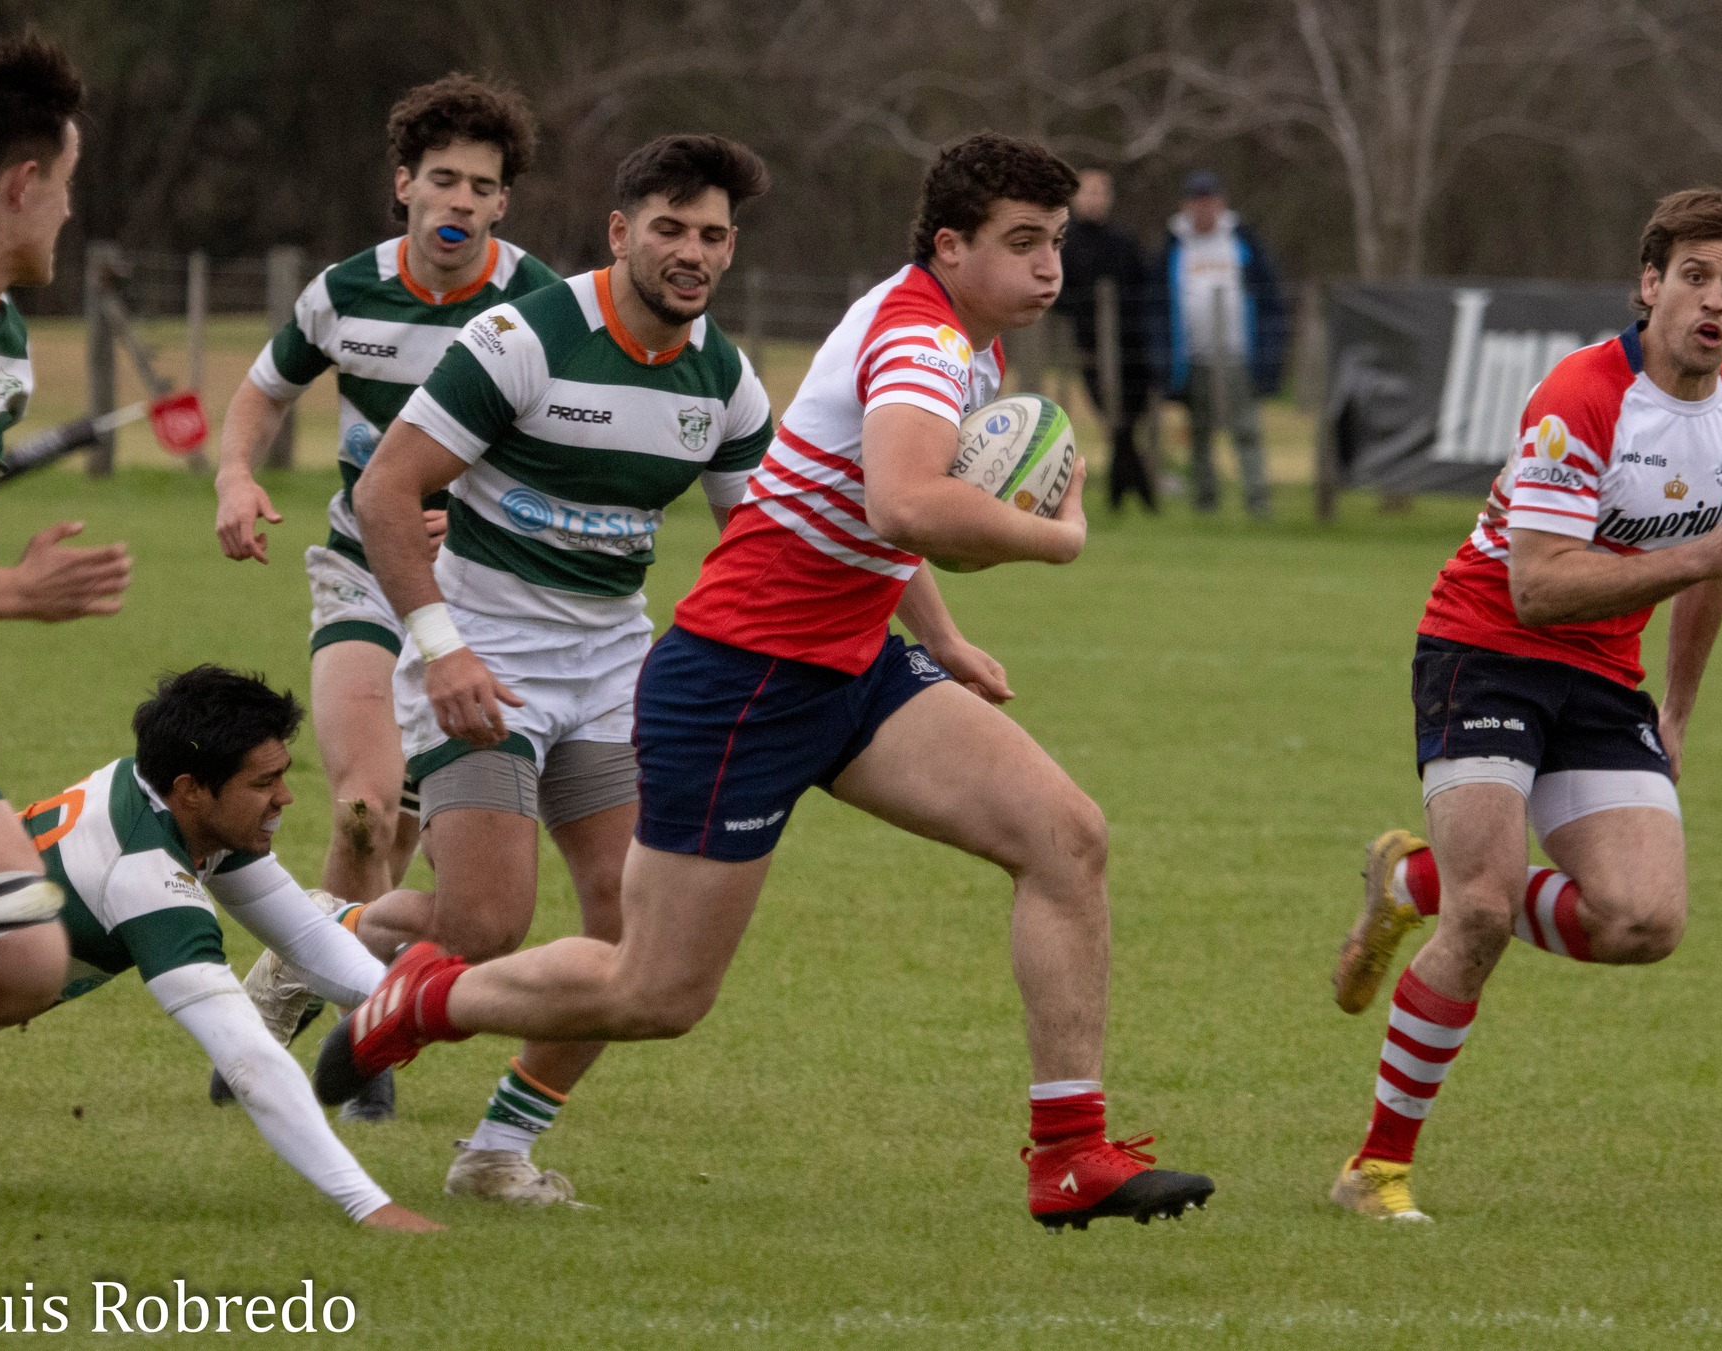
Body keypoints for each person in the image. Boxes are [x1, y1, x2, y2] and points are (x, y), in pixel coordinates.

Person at [316, 132, 1215, 1234]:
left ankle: (1070, 1154)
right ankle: (430, 995)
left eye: (1056, 243)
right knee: (657, 992)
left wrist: (942, 638)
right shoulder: (921, 340)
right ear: (948, 246)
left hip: (854, 662)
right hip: (743, 678)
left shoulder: (955, 337)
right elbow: (905, 505)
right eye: (1021, 244)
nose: (1049, 269)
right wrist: (1059, 538)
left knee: (1065, 835)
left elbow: (847, 521)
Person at [1326, 181, 1722, 1221]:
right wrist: (1700, 551)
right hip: (1484, 649)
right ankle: (1373, 1168)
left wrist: (1675, 710)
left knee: (1644, 920)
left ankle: (1409, 880)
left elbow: (1708, 571)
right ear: (1648, 285)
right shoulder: (1579, 396)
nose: (1712, 302)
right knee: (1487, 908)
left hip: (1600, 675)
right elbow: (1535, 585)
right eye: (1692, 277)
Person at [305, 133, 772, 1205]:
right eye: (668, 228)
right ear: (619, 233)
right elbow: (384, 494)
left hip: (610, 669)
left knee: (630, 935)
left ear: (731, 248)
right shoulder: (521, 335)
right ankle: (317, 940)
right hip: (482, 654)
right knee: (483, 924)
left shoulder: (724, 378)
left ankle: (494, 1151)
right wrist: (441, 647)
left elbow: (763, 545)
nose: (689, 253)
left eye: (710, 235)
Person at [208, 75, 555, 1122]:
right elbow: (262, 390)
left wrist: (494, 512)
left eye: (480, 186)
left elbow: (567, 455)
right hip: (362, 571)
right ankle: (360, 1015)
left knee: (437, 855)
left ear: (502, 206)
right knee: (363, 807)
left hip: (484, 597)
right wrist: (234, 474)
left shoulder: (540, 306)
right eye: (439, 178)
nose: (457, 200)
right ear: (402, 185)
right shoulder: (343, 291)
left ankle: (309, 987)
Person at [0, 668, 436, 1231]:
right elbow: (249, 1059)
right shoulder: (144, 872)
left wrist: (429, 1004)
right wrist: (367, 1203)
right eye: (263, 783)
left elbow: (307, 938)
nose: (285, 797)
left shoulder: (164, 799)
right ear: (191, 789)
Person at [0, 34, 133, 1031]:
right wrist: (19, 594)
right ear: (21, 184)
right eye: (64, 181)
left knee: (18, 957)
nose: (67, 204)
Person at [1152, 170, 1287, 517]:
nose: (1204, 210)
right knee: (1198, 432)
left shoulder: (1242, 241)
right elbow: (1157, 304)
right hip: (1192, 357)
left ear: (1221, 203)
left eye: (1210, 201)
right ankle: (1205, 503)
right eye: (1196, 202)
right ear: (1186, 206)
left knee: (1246, 429)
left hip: (1238, 354)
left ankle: (1257, 503)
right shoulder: (1173, 245)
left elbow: (1271, 297)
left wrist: (1270, 354)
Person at [1054, 167, 1154, 511]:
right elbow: (1058, 296)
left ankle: (1122, 497)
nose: (1095, 200)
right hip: (1091, 349)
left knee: (1127, 421)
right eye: (1089, 192)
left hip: (1132, 349)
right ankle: (1143, 496)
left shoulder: (1124, 243)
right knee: (1114, 421)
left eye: (1101, 192)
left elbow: (1145, 291)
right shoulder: (1064, 246)